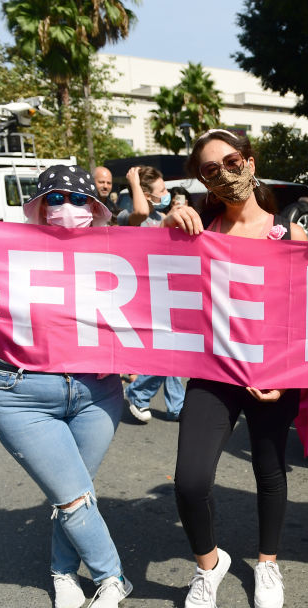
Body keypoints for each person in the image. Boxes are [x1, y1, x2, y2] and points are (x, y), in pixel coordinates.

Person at [159, 128, 308, 608]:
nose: (224, 174)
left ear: (248, 160)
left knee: (269, 471)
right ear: (201, 181)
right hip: (212, 372)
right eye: (209, 170)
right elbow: (147, 261)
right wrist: (169, 218)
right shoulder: (197, 228)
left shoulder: (289, 229)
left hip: (274, 373)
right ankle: (209, 565)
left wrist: (287, 376)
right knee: (190, 479)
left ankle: (267, 563)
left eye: (231, 161)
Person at [0, 165, 132, 608]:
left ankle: (62, 571)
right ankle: (112, 577)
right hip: (22, 393)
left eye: (76, 199)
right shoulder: (10, 249)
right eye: (54, 199)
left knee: (73, 491)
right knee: (71, 496)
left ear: (95, 208)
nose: (66, 209)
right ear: (39, 206)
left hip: (97, 393)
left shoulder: (119, 250)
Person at [118, 165, 186, 422]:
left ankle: (176, 405)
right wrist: (134, 180)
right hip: (141, 296)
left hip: (163, 292)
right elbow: (140, 210)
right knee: (166, 353)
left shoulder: (159, 217)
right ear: (146, 194)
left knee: (174, 350)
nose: (167, 193)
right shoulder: (129, 216)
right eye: (162, 190)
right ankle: (137, 393)